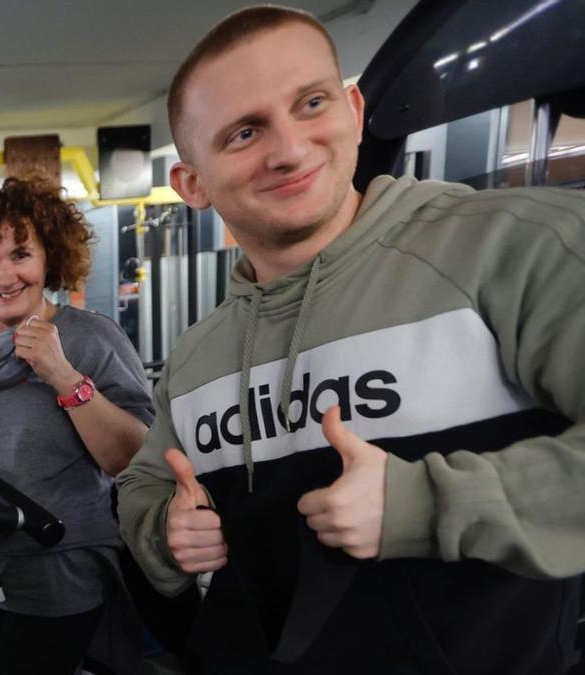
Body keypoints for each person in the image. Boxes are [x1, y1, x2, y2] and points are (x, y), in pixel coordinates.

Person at [116, 6, 585, 674]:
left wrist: (419, 501)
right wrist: (164, 531)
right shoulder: (195, 357)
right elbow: (142, 483)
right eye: (245, 131)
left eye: (310, 103)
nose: (288, 149)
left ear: (356, 109)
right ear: (192, 184)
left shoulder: (513, 246)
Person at [0, 176, 154, 675]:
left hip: (59, 565)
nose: (5, 277)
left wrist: (62, 375)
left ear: (49, 258)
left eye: (21, 255)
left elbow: (131, 456)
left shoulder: (92, 339)